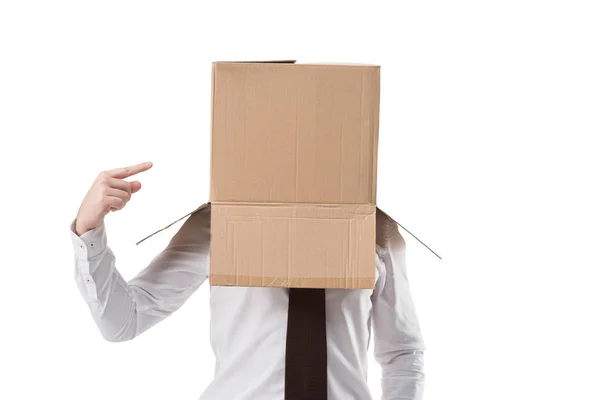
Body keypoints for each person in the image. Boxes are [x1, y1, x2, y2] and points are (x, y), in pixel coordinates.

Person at [70, 161, 426, 400]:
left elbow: (402, 351)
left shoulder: (375, 229)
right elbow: (123, 321)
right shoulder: (219, 223)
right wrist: (89, 229)